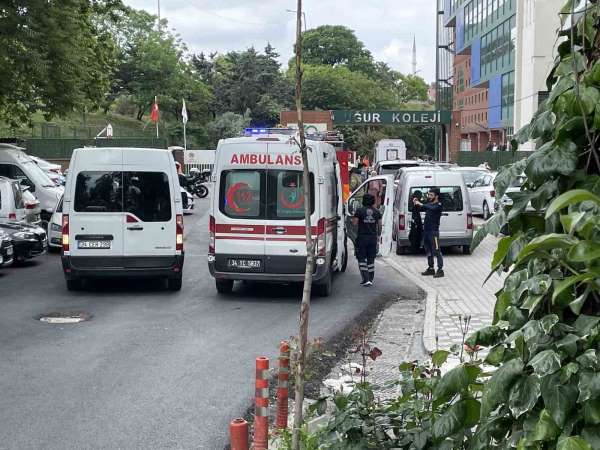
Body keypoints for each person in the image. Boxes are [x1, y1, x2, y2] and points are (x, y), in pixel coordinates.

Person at [413, 188, 444, 278]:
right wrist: (416, 202)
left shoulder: (438, 205)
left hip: (433, 232)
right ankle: (431, 268)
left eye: (431, 195)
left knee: (437, 250)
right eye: (428, 195)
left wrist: (421, 204)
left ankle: (440, 270)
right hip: (426, 231)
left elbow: (429, 207)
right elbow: (423, 207)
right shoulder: (429, 204)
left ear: (436, 196)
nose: (429, 196)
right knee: (428, 250)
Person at [352, 193, 382, 287]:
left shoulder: (359, 211)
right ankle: (370, 278)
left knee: (361, 258)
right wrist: (378, 235)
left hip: (362, 237)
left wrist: (352, 220)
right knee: (371, 259)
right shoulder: (377, 212)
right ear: (373, 201)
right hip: (372, 238)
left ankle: (366, 279)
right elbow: (380, 226)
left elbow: (355, 223)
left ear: (363, 201)